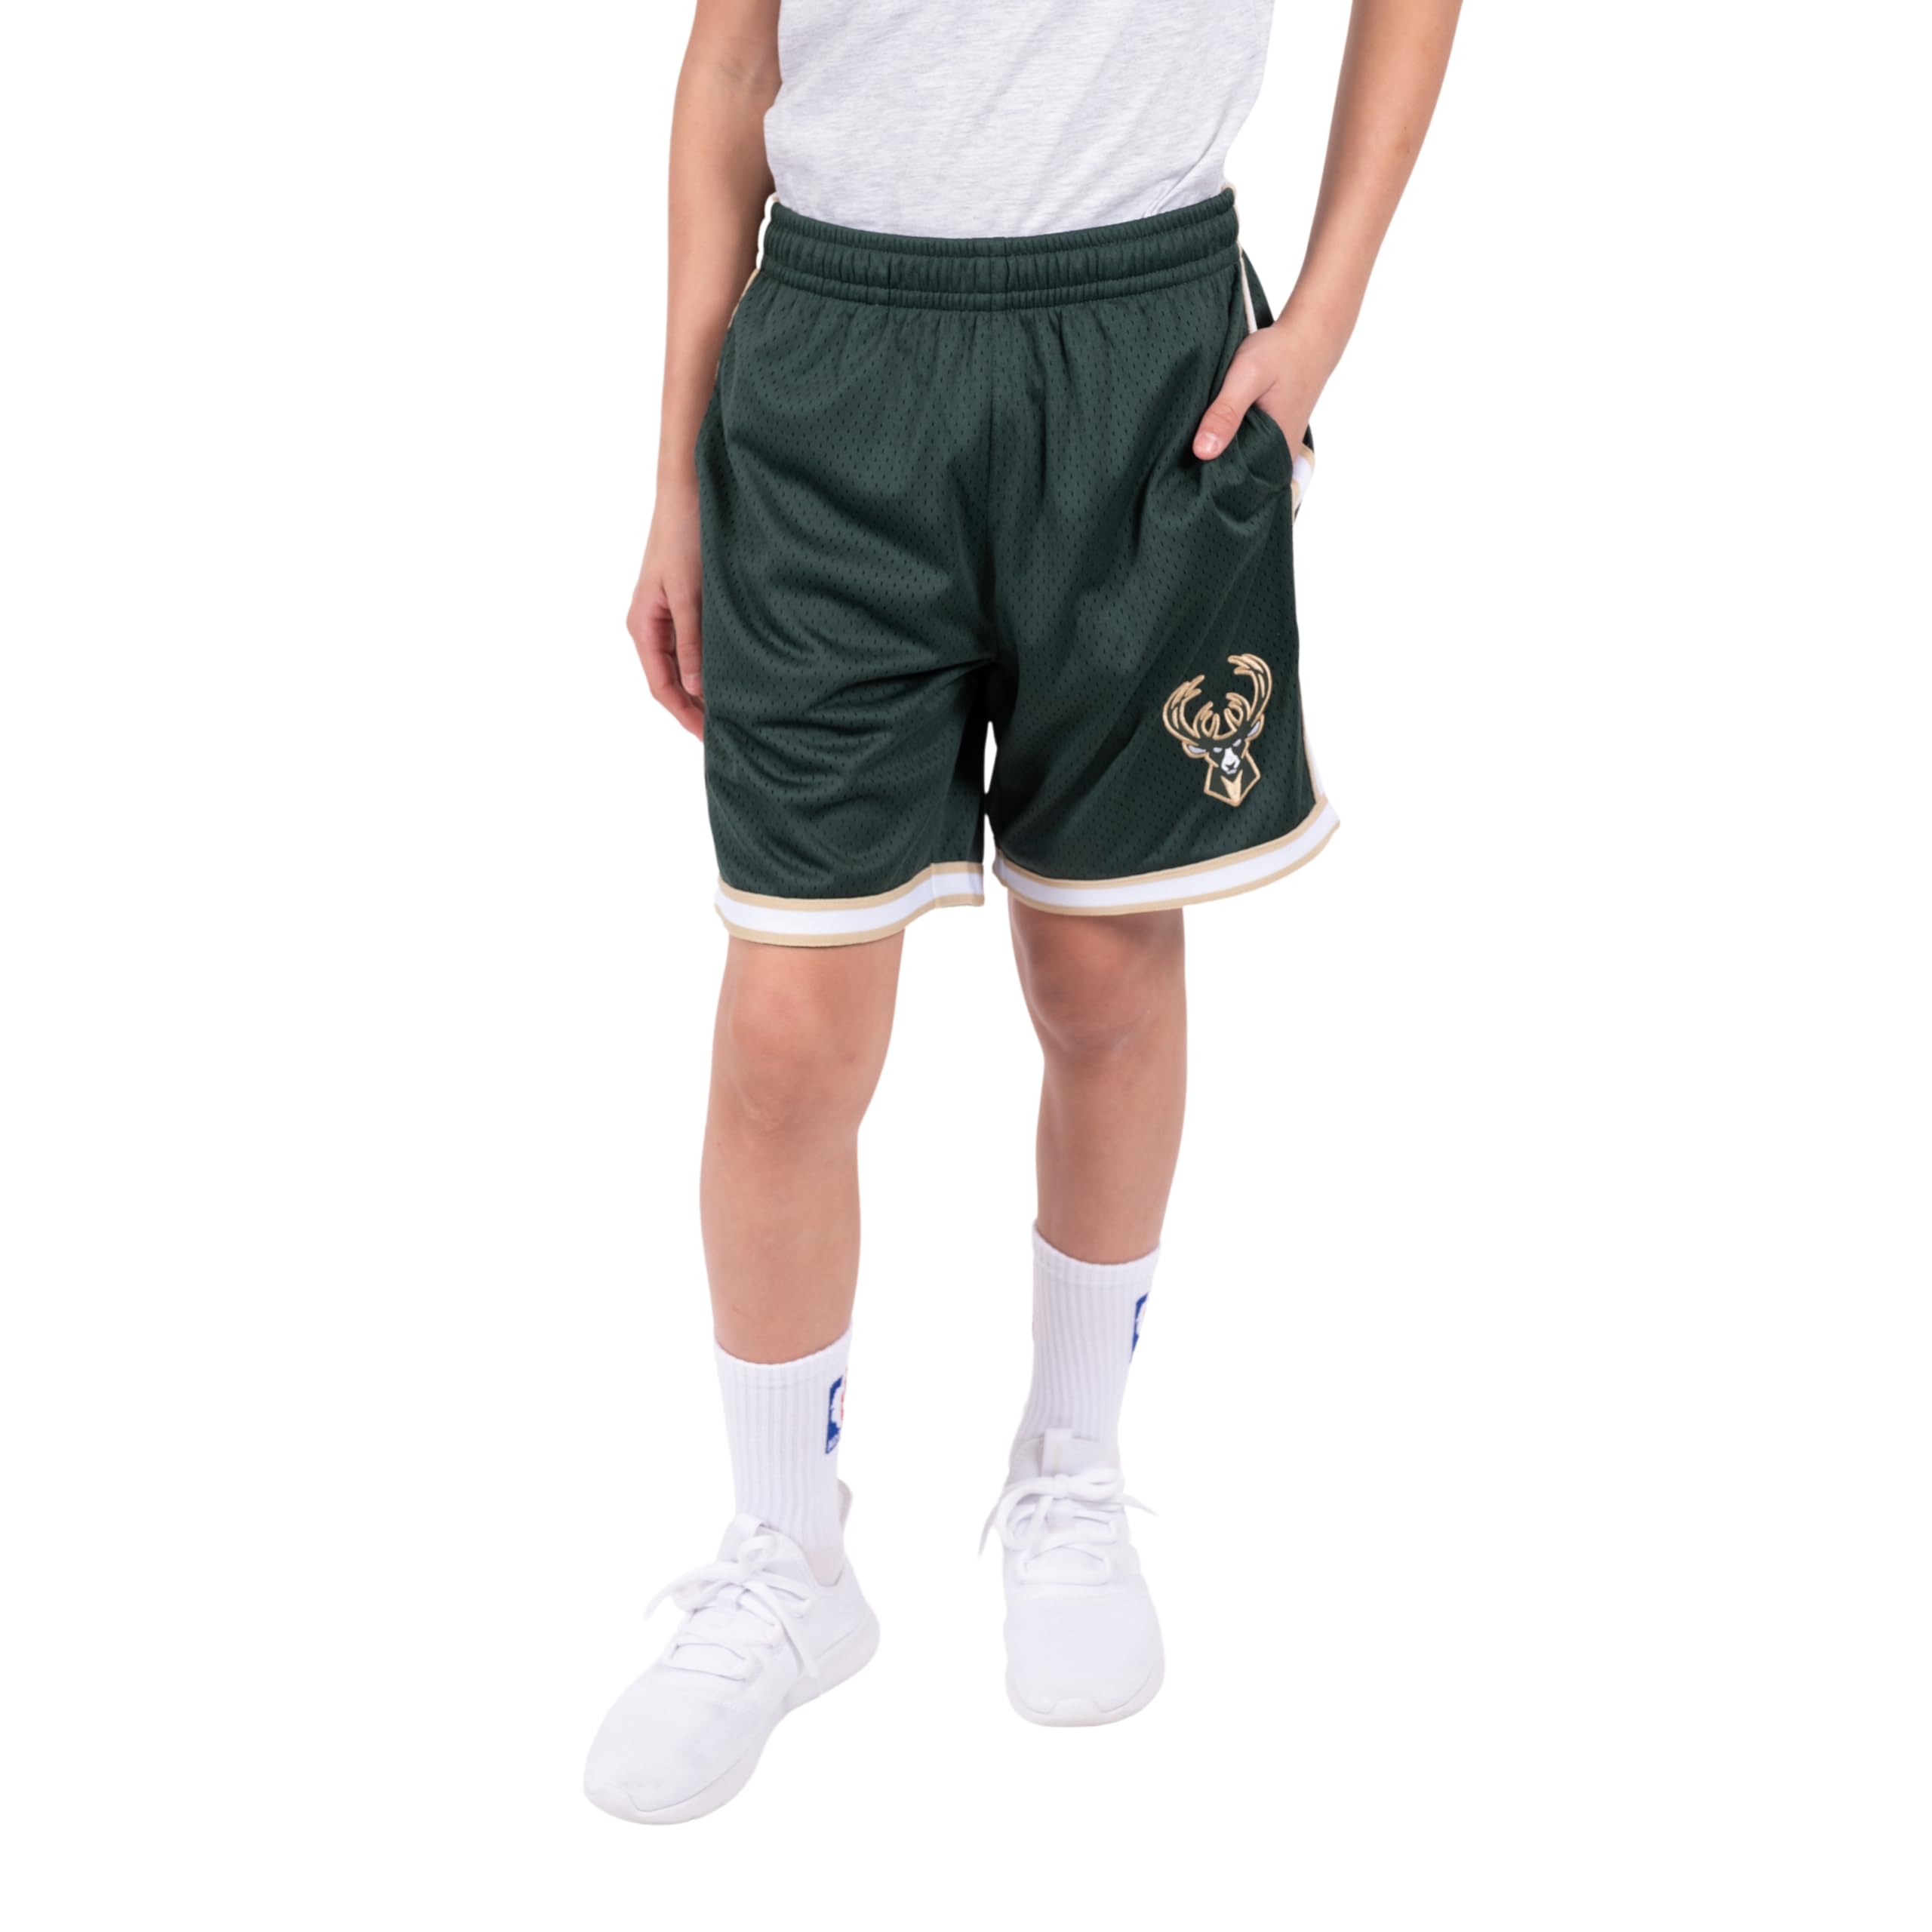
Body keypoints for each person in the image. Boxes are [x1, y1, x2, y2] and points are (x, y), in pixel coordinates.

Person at [586, 0, 1462, 1824]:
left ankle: (1071, 1465)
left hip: (1140, 364)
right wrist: (673, 468)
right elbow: (731, 64)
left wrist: (1321, 319)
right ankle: (784, 1554)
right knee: (784, 1029)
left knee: (1099, 962)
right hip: (829, 371)